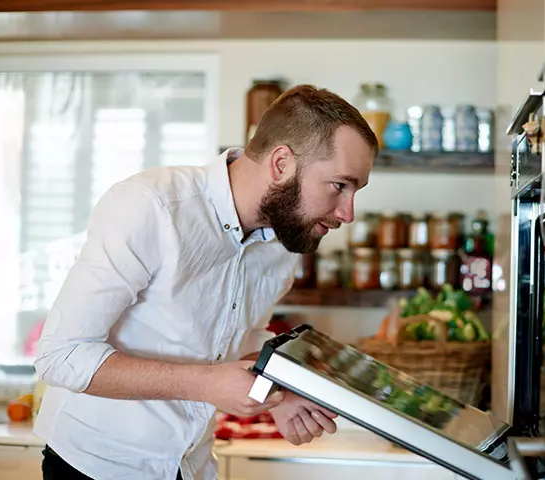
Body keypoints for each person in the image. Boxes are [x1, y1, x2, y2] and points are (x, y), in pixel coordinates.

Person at [33, 84, 378, 480]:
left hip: (191, 467)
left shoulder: (283, 245)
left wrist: (276, 393)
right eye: (340, 185)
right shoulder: (152, 206)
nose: (348, 213)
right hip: (94, 466)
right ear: (281, 163)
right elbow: (60, 357)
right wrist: (206, 383)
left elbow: (239, 339)